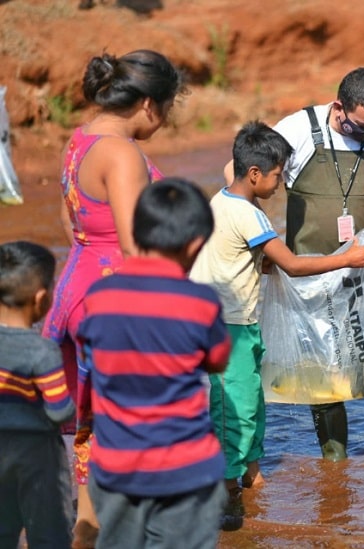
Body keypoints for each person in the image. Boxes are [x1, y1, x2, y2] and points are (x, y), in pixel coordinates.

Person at [191, 120, 364, 530]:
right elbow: (293, 265)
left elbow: (246, 258)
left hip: (236, 323)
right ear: (255, 174)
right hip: (225, 328)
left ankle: (252, 475)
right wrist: (347, 258)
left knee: (252, 402)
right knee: (233, 409)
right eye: (279, 176)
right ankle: (228, 492)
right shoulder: (247, 214)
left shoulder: (223, 202)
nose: (281, 185)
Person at [225, 67, 364, 462]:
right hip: (312, 278)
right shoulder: (299, 128)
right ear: (338, 108)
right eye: (360, 126)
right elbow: (238, 174)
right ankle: (335, 467)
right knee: (325, 378)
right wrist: (261, 238)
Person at [40, 48, 185, 547]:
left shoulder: (80, 139)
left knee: (92, 427)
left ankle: (88, 529)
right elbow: (133, 243)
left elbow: (70, 221)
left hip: (79, 290)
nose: (164, 122)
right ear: (148, 104)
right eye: (166, 109)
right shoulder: (122, 154)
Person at [76, 178, 232, 548]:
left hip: (115, 467)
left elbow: (90, 357)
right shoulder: (201, 302)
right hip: (185, 470)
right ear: (195, 245)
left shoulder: (98, 296)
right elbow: (218, 359)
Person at [0, 241, 75, 549]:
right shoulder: (42, 351)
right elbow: (59, 410)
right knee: (49, 531)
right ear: (42, 298)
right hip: (37, 454)